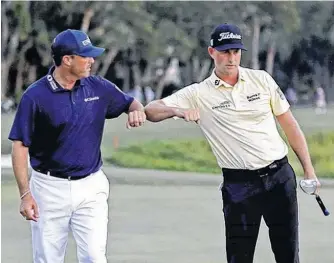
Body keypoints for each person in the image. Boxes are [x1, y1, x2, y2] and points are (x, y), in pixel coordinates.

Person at [145, 23, 320, 263]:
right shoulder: (198, 93)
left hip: (280, 177)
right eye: (225, 51)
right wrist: (179, 111)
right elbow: (150, 111)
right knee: (240, 257)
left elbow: (290, 126)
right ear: (212, 52)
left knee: (288, 254)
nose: (231, 57)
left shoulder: (261, 80)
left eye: (236, 51)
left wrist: (309, 171)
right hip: (240, 185)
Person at [8, 29, 146, 263]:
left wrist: (137, 111)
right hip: (48, 188)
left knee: (94, 257)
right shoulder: (35, 96)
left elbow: (131, 103)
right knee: (48, 259)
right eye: (86, 56)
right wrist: (25, 194)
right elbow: (20, 145)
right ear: (67, 60)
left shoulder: (98, 87)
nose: (92, 60)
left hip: (91, 186)